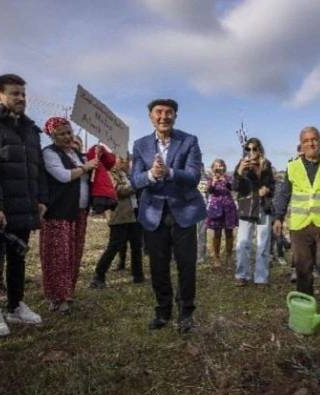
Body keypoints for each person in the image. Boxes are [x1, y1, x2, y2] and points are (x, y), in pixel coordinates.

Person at [0, 73, 47, 338]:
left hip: (23, 204)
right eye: (15, 93)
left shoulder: (30, 129)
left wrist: (41, 199)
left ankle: (16, 305)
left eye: (23, 94)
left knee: (18, 255)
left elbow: (36, 168)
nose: (21, 98)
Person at [131, 99, 206, 333]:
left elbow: (194, 175)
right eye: (159, 113)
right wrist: (152, 175)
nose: (164, 117)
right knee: (158, 266)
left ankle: (186, 312)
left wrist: (170, 172)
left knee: (186, 265)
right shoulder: (140, 144)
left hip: (183, 211)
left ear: (175, 116)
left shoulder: (189, 140)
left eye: (169, 112)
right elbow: (135, 179)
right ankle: (163, 310)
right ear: (150, 117)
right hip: (154, 213)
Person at [273, 126, 320, 310]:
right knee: (303, 267)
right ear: (301, 145)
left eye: (314, 139)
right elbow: (283, 195)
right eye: (306, 141)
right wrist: (278, 217)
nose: (310, 143)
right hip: (300, 224)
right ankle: (305, 304)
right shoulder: (292, 167)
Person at [40, 117, 97, 315]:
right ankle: (56, 297)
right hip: (59, 212)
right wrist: (85, 167)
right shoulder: (49, 153)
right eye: (61, 134)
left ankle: (68, 293)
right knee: (58, 256)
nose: (66, 137)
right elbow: (63, 176)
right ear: (52, 136)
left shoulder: (76, 154)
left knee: (73, 255)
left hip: (79, 211)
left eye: (68, 132)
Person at [91, 155, 145, 288]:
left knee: (136, 246)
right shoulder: (110, 174)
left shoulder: (126, 175)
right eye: (122, 159)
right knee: (114, 246)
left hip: (133, 214)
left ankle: (138, 275)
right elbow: (119, 191)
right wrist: (138, 185)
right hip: (119, 216)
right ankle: (99, 275)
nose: (125, 162)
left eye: (126, 160)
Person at [233, 137, 275, 287]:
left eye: (254, 149)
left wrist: (267, 189)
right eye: (248, 149)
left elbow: (273, 185)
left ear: (259, 150)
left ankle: (261, 277)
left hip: (263, 207)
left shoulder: (267, 165)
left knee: (263, 245)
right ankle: (242, 274)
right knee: (243, 244)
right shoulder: (242, 164)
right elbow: (235, 187)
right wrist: (239, 171)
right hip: (247, 208)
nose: (251, 152)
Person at [205, 159, 237, 267]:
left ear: (224, 167)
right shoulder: (210, 179)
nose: (219, 168)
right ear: (213, 168)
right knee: (217, 233)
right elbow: (209, 190)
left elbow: (233, 188)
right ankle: (216, 257)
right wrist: (213, 183)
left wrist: (225, 181)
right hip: (216, 208)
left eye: (221, 165)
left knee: (229, 233)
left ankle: (229, 256)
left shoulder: (229, 178)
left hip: (228, 208)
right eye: (217, 166)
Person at [86, 142, 118, 214]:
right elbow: (89, 156)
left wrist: (104, 150)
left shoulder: (102, 164)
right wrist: (94, 151)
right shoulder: (90, 161)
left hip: (106, 195)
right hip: (97, 195)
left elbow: (111, 162)